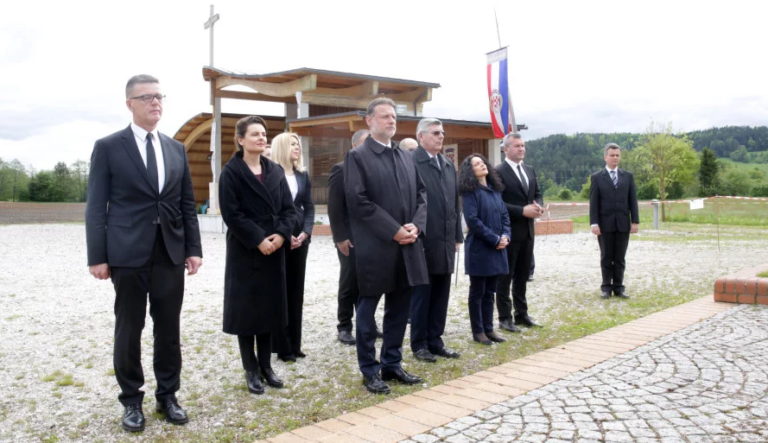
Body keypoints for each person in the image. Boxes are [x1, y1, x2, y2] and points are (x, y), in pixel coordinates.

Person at [85, 74, 202, 432]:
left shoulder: (175, 148)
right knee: (129, 328)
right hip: (127, 254)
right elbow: (96, 205)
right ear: (129, 104)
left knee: (168, 329)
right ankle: (131, 401)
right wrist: (97, 256)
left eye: (159, 96)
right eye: (147, 97)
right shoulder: (108, 147)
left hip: (169, 253)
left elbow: (185, 204)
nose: (155, 102)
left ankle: (168, 396)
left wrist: (193, 249)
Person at [344, 97, 428, 394]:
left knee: (400, 308)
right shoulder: (357, 157)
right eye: (384, 116)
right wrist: (393, 230)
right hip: (375, 248)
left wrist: (416, 225)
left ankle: (392, 363)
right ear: (369, 121)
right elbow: (358, 201)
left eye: (393, 116)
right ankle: (370, 370)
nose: (391, 121)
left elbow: (421, 194)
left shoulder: (406, 156)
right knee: (367, 311)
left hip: (407, 246)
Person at [218, 116, 295, 395]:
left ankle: (266, 366)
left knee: (269, 309)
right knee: (246, 312)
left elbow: (289, 209)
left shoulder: (275, 170)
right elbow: (232, 214)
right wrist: (257, 239)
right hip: (246, 249)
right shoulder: (231, 172)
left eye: (264, 134)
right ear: (241, 140)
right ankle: (250, 370)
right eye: (254, 134)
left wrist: (282, 234)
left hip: (274, 247)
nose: (262, 138)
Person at [409, 118, 463, 362]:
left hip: (446, 239)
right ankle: (419, 343)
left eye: (442, 133)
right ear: (421, 136)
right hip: (423, 239)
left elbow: (454, 202)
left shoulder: (447, 164)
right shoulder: (411, 162)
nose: (441, 137)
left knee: (442, 291)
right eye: (435, 133)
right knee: (422, 293)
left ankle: (435, 339)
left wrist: (457, 235)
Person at [329, 129, 384, 345]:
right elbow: (334, 207)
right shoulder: (340, 169)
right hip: (350, 237)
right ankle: (344, 326)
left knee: (371, 281)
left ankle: (368, 322)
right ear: (354, 146)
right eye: (365, 143)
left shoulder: (375, 170)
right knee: (349, 281)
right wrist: (340, 237)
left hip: (373, 237)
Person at [270, 132, 314, 361]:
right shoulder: (271, 174)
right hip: (279, 239)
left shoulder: (302, 175)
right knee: (279, 292)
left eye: (298, 144)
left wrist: (306, 233)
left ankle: (295, 344)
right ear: (281, 147)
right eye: (292, 144)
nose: (297, 148)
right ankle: (281, 346)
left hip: (300, 241)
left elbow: (309, 206)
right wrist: (286, 236)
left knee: (296, 292)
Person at [459, 155, 510, 345]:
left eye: (482, 162)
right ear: (470, 171)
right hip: (480, 249)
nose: (481, 165)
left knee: (491, 291)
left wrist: (506, 236)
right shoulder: (470, 192)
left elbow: (505, 216)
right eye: (476, 164)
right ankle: (478, 331)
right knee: (478, 291)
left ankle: (489, 329)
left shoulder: (495, 190)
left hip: (497, 248)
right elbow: (473, 221)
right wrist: (495, 239)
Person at [495, 133, 543, 332]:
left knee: (522, 275)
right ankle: (505, 318)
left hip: (528, 232)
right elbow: (496, 202)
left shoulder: (529, 170)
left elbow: (538, 193)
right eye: (516, 146)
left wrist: (538, 205)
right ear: (506, 149)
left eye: (523, 145)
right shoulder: (498, 172)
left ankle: (522, 314)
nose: (521, 149)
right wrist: (522, 210)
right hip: (509, 232)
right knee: (505, 277)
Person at [590, 143, 639, 299]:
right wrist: (594, 223)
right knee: (606, 257)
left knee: (620, 257)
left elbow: (633, 200)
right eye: (612, 155)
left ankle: (619, 287)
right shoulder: (597, 177)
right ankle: (606, 287)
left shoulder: (628, 176)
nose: (615, 158)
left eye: (617, 155)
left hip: (623, 224)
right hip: (605, 225)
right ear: (605, 157)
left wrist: (635, 221)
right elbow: (594, 202)